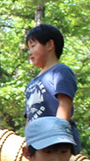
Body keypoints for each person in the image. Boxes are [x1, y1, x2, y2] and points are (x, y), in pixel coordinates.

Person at [23, 23, 80, 152]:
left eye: (33, 46)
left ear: (49, 45)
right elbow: (30, 117)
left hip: (57, 141)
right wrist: (27, 140)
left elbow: (64, 105)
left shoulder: (60, 71)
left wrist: (57, 138)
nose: (30, 53)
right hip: (37, 143)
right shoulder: (33, 82)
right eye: (28, 49)